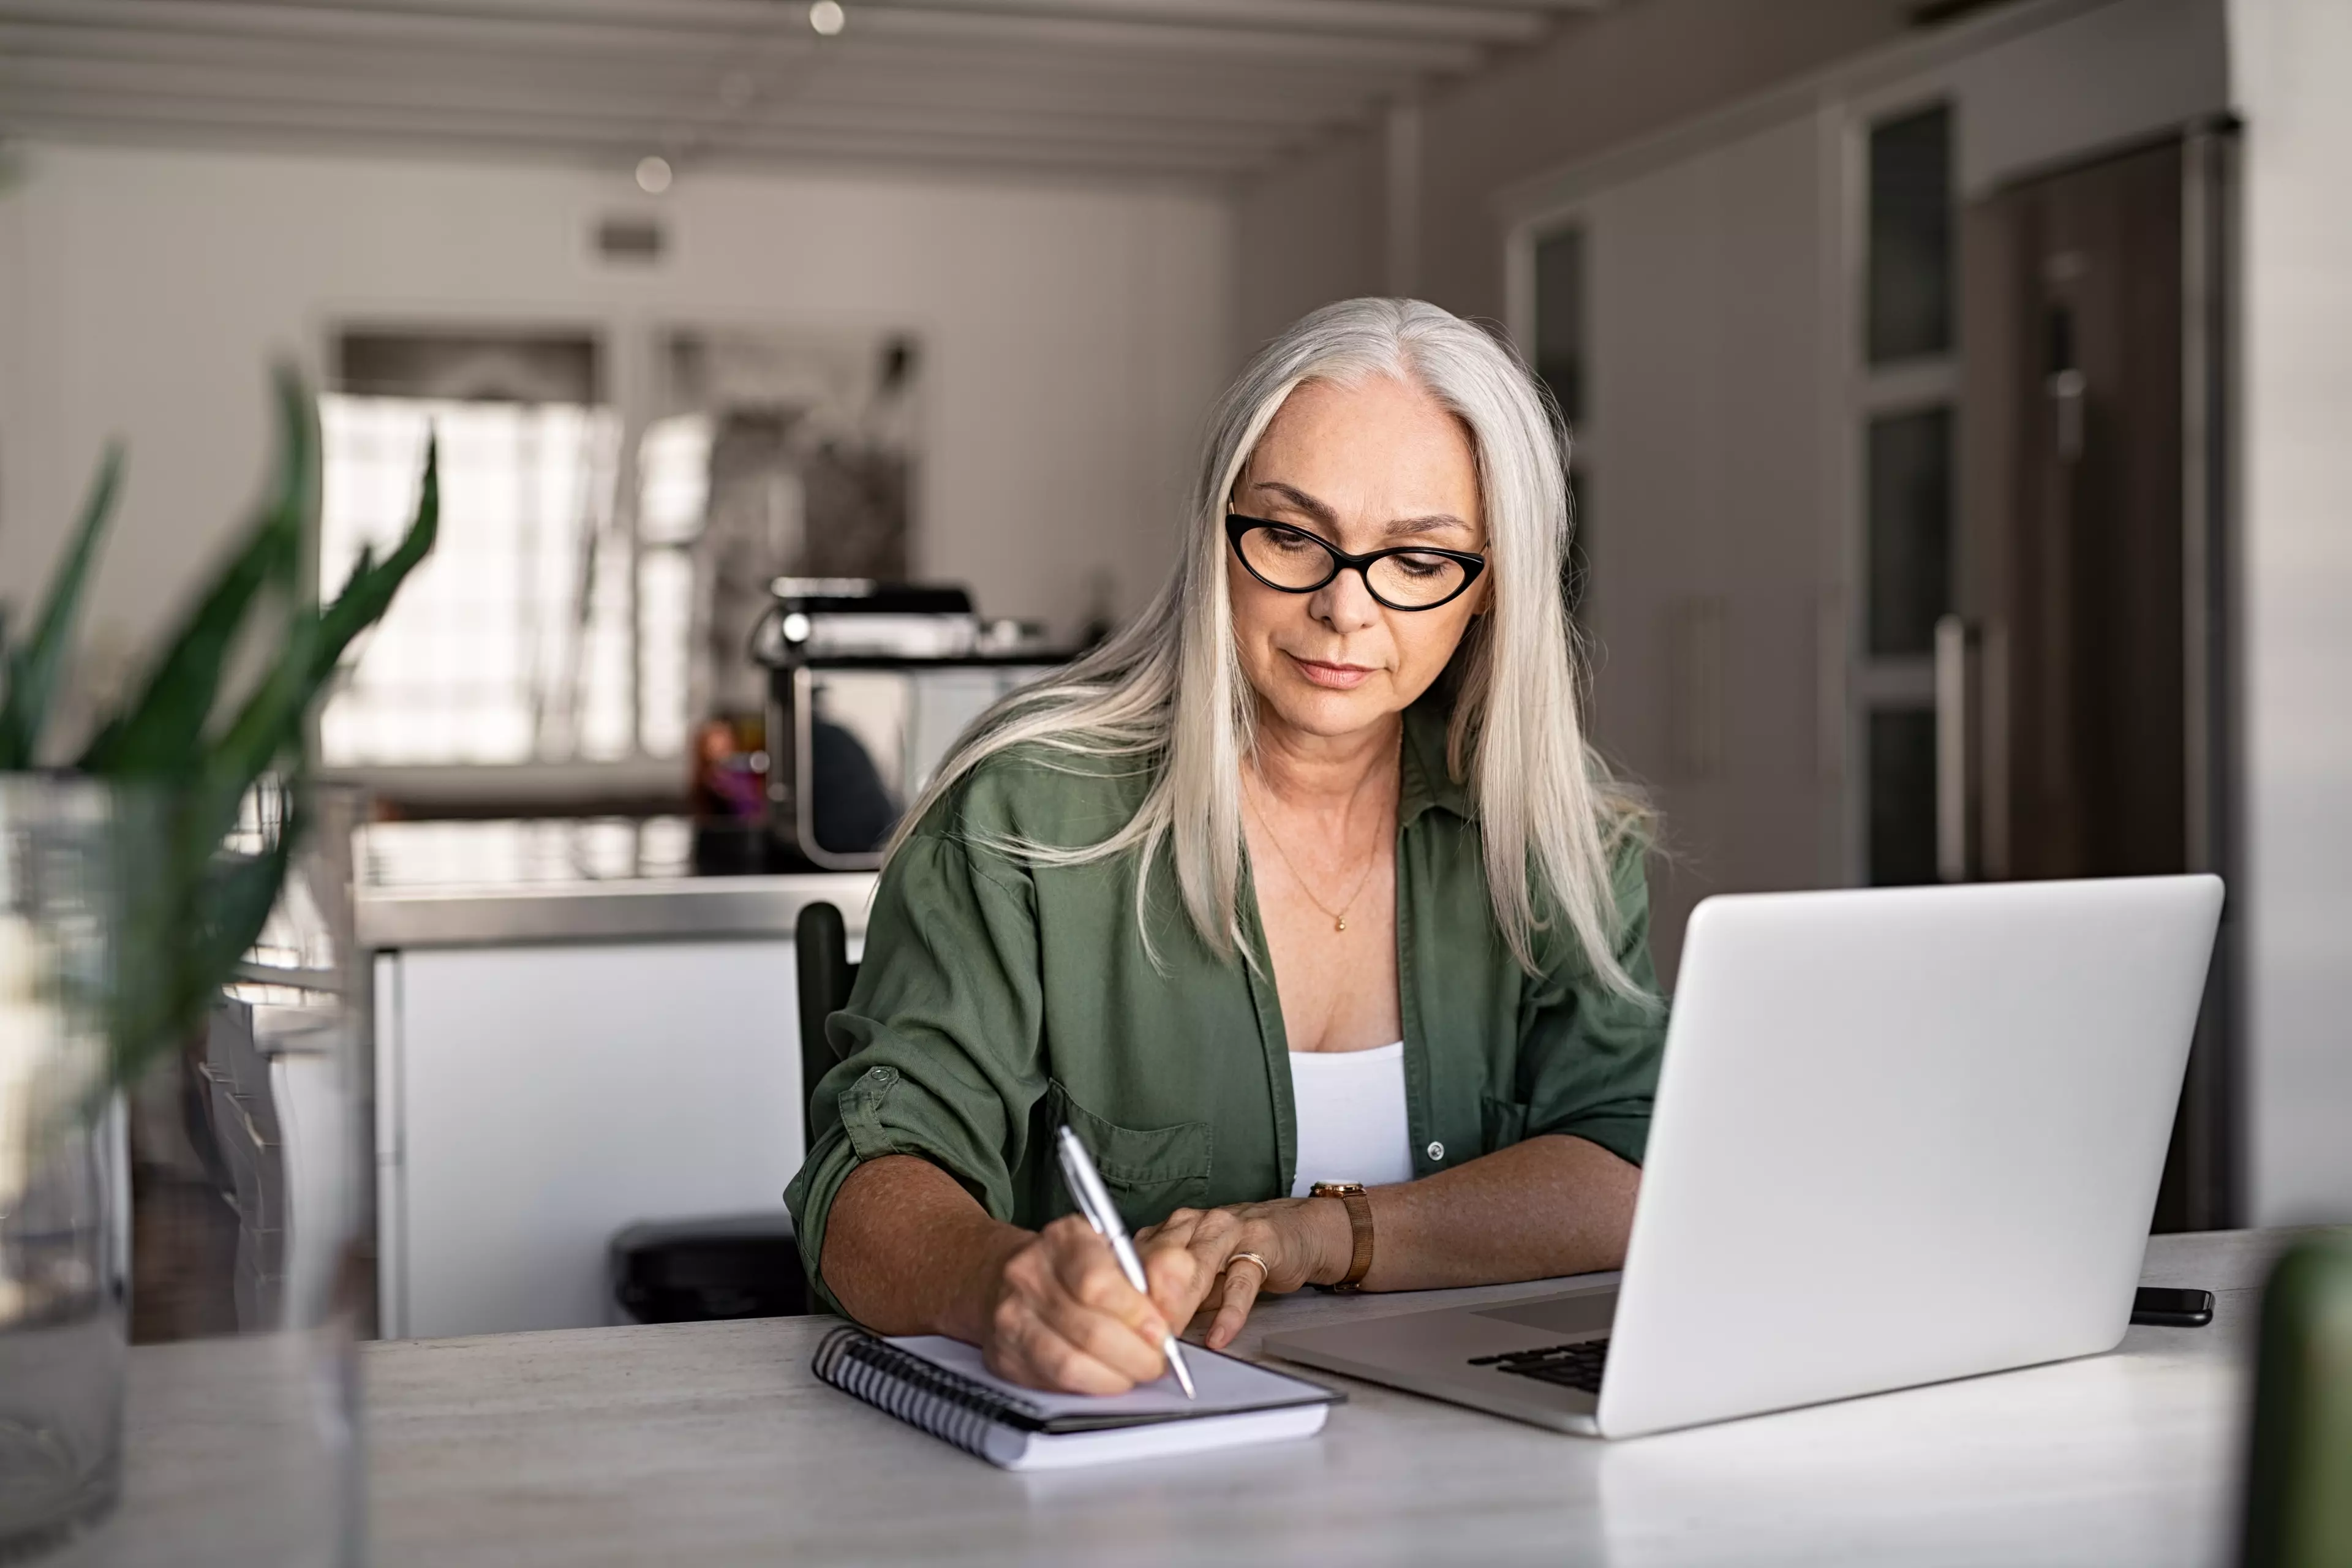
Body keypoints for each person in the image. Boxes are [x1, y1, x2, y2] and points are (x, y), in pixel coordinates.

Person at [785, 298, 1664, 1395]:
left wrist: (1317, 1235)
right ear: (1219, 534)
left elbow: (1629, 1167)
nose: (1346, 608)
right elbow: (868, 1184)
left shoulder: (1556, 827)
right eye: (1294, 536)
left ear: (1490, 590)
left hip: (1479, 1447)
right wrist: (998, 1282)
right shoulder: (1024, 809)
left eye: (1419, 558)